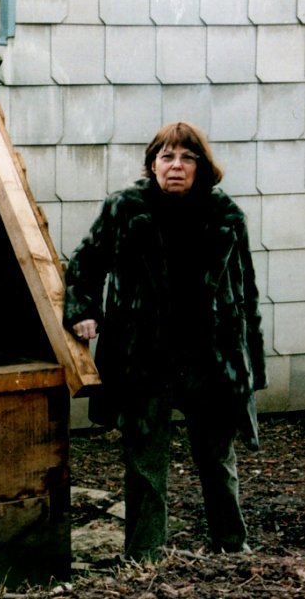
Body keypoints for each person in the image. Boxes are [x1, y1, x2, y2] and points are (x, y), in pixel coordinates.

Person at [63, 121, 267, 562]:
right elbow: (85, 263)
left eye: (187, 157)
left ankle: (232, 548)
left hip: (210, 359)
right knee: (144, 461)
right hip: (144, 357)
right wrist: (83, 311)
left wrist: (251, 366)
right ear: (152, 164)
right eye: (167, 156)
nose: (176, 166)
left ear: (202, 167)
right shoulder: (125, 208)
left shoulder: (226, 216)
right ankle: (144, 556)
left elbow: (245, 292)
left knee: (217, 458)